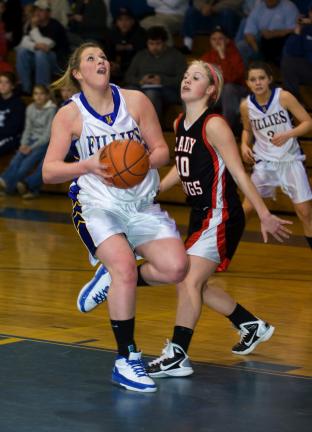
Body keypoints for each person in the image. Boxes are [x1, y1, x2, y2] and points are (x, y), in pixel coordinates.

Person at [79, 60, 292, 378]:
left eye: (196, 77)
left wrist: (263, 213)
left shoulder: (214, 125)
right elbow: (181, 167)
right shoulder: (180, 122)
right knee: (192, 280)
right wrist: (152, 192)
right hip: (200, 213)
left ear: (210, 90)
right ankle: (250, 324)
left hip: (221, 214)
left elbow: (237, 171)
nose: (187, 80)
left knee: (188, 280)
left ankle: (176, 352)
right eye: (185, 75)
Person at [42, 42, 188, 392]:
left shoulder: (136, 101)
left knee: (175, 268)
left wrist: (138, 161)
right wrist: (87, 165)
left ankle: (109, 278)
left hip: (139, 202)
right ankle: (126, 358)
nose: (100, 61)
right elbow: (49, 171)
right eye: (91, 58)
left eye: (103, 57)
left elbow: (162, 150)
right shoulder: (70, 115)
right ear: (78, 73)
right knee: (123, 266)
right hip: (97, 204)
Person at [240, 61, 312, 248]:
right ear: (247, 83)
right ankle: (223, 252)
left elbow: (307, 122)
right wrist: (243, 144)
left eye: (262, 78)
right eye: (253, 79)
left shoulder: (284, 97)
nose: (258, 83)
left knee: (305, 212)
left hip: (290, 159)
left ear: (270, 79)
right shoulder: (246, 106)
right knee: (246, 209)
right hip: (264, 162)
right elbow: (247, 130)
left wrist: (288, 134)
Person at [0, 84, 56, 198]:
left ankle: (6, 183)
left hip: (43, 143)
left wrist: (31, 147)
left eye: (41, 94)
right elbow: (27, 129)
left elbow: (47, 135)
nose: (38, 97)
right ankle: (8, 185)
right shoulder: (30, 108)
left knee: (26, 164)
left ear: (47, 96)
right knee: (16, 159)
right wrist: (24, 144)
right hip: (30, 140)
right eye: (36, 94)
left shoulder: (52, 109)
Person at [124, 25, 187, 124]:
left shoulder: (176, 56)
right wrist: (141, 80)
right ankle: (127, 127)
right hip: (142, 87)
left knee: (151, 93)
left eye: (158, 43)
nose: (154, 47)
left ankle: (152, 128)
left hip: (168, 90)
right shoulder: (141, 55)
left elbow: (183, 79)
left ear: (165, 43)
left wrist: (162, 80)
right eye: (151, 44)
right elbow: (128, 76)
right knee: (128, 91)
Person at [16, 0, 69, 95]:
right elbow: (23, 43)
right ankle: (26, 89)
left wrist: (34, 29)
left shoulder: (55, 25)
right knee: (22, 52)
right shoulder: (32, 25)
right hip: (38, 60)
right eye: (36, 10)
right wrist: (35, 45)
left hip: (58, 63)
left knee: (40, 53)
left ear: (48, 12)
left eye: (41, 10)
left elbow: (47, 47)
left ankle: (42, 90)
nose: (37, 13)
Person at [201, 25, 247, 135]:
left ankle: (227, 129)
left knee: (228, 88)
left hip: (236, 91)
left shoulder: (235, 54)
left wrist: (222, 56)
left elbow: (232, 78)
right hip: (216, 92)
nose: (217, 42)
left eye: (220, 38)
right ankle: (199, 130)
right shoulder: (207, 57)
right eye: (214, 39)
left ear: (227, 40)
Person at [236, 0, 299, 65]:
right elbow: (248, 32)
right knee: (241, 46)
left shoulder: (289, 7)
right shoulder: (258, 9)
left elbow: (295, 30)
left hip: (281, 43)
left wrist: (274, 33)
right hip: (261, 43)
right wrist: (256, 49)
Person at [281, 5, 312, 103]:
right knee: (289, 62)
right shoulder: (306, 29)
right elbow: (291, 51)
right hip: (309, 68)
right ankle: (293, 102)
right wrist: (298, 30)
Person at [0, 72, 25, 157]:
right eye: (0, 82)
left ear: (12, 86)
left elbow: (14, 129)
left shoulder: (18, 104)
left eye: (6, 82)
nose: (2, 85)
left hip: (11, 137)